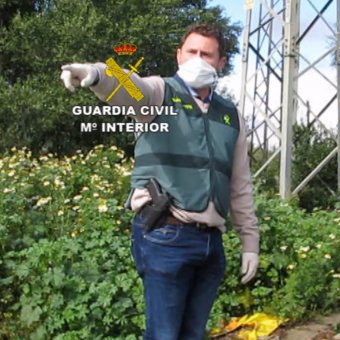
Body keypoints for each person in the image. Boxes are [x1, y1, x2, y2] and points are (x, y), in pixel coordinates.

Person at [59, 23, 260, 340]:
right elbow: (130, 86)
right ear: (178, 56)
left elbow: (240, 185)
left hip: (211, 244)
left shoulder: (230, 114)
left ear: (221, 63)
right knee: (164, 336)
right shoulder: (159, 94)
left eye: (206, 54)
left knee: (193, 334)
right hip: (166, 234)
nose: (197, 59)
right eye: (191, 52)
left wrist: (250, 242)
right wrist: (97, 74)